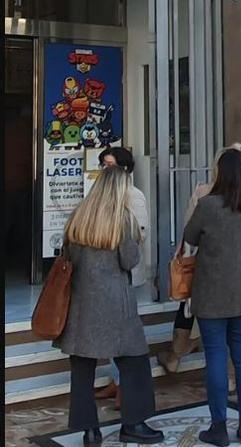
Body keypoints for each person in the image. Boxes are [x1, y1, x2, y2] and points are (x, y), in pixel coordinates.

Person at [54, 166, 164, 446]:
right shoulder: (124, 221)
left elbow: (67, 256)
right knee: (135, 364)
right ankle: (133, 424)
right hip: (117, 308)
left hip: (81, 306)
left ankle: (89, 431)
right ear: (120, 190)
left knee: (81, 371)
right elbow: (129, 261)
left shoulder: (78, 217)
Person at [182, 148, 241, 446]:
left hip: (212, 293)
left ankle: (219, 427)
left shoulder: (208, 205)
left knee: (215, 356)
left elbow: (190, 237)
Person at [93, 147, 150, 409]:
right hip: (102, 274)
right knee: (109, 329)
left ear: (125, 169)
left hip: (123, 271)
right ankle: (116, 379)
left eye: (110, 164)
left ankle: (125, 385)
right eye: (103, 164)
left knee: (123, 331)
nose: (105, 169)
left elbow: (139, 232)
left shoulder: (134, 196)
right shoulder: (98, 194)